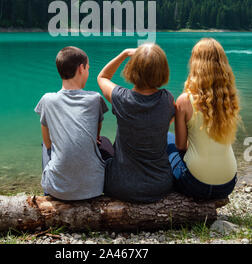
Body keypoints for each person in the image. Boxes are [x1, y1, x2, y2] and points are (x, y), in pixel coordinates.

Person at [97, 44, 176, 203]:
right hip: (160, 185)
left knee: (103, 142)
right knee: (169, 137)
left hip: (120, 186)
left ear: (133, 69)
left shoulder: (121, 98)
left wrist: (124, 53)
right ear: (163, 71)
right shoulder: (167, 99)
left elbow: (103, 77)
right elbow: (169, 120)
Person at [167, 37, 241, 200]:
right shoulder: (229, 99)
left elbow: (181, 146)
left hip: (196, 185)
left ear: (195, 64)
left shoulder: (185, 100)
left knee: (168, 140)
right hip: (228, 184)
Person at [34, 46, 111, 200]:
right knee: (105, 141)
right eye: (88, 68)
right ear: (81, 68)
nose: (88, 72)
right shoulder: (95, 99)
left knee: (45, 146)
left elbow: (48, 143)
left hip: (58, 190)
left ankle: (48, 193)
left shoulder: (47, 100)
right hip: (94, 188)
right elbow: (95, 136)